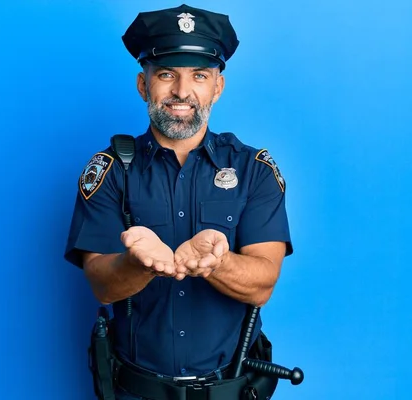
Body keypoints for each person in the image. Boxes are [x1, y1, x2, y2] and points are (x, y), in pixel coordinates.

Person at [64, 4, 293, 399]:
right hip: (136, 391)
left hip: (230, 389)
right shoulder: (110, 169)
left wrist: (217, 262)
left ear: (217, 88)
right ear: (143, 85)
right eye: (166, 74)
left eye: (199, 76)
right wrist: (138, 264)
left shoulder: (254, 169)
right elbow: (102, 283)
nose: (182, 92)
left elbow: (262, 284)